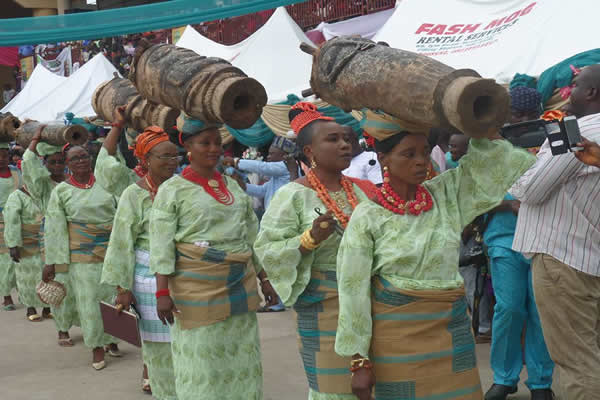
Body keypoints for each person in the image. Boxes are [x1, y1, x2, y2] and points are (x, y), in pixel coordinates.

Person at [334, 109, 535, 400]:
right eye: (409, 154)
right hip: (397, 341)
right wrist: (359, 361)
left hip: (451, 334)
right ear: (384, 159)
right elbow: (353, 290)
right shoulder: (368, 215)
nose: (420, 161)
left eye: (425, 152)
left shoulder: (444, 194)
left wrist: (477, 126)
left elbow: (495, 165)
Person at [149, 114, 277, 400]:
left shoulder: (233, 186)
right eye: (204, 143)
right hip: (195, 290)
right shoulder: (173, 189)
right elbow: (161, 243)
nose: (213, 148)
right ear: (189, 148)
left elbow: (251, 236)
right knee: (202, 362)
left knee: (242, 357)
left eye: (217, 142)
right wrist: (162, 292)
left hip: (238, 288)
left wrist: (265, 278)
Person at [254, 102, 375, 400]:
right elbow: (266, 250)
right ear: (309, 151)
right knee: (333, 388)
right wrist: (308, 239)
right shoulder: (292, 195)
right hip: (322, 304)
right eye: (332, 140)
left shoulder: (362, 191)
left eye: (346, 138)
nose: (345, 145)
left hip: (369, 302)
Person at [511, 64, 600, 399]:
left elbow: (530, 191)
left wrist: (513, 162)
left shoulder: (576, 132)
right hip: (588, 257)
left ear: (591, 93)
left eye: (575, 85)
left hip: (562, 258)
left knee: (577, 363)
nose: (566, 93)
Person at [483, 85, 554, 400]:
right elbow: (477, 195)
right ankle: (504, 377)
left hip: (544, 238)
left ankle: (540, 382)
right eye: (516, 115)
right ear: (504, 115)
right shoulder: (487, 148)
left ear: (537, 115)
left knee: (540, 311)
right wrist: (507, 204)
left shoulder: (552, 142)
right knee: (509, 308)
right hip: (504, 237)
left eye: (528, 116)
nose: (522, 121)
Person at [102, 126, 178, 399]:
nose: (173, 161)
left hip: (183, 275)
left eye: (175, 155)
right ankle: (162, 387)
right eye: (164, 156)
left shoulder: (182, 188)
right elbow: (121, 242)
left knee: (182, 340)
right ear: (145, 161)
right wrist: (123, 287)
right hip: (147, 276)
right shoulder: (132, 195)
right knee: (157, 342)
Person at [42, 143, 119, 370]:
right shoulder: (62, 191)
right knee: (89, 303)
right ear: (68, 164)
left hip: (111, 252)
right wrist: (52, 262)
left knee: (114, 297)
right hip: (81, 258)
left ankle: (112, 339)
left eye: (84, 156)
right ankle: (96, 346)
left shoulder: (105, 183)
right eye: (74, 159)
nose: (81, 161)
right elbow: (55, 228)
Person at [22, 130, 77, 346]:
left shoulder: (73, 181)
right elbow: (28, 161)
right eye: (52, 162)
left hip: (76, 239)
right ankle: (62, 329)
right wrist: (36, 137)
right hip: (54, 239)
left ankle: (94, 332)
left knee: (80, 284)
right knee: (60, 284)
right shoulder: (43, 186)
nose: (57, 165)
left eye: (60, 161)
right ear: (44, 164)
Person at [4, 183, 50, 322]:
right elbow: (11, 220)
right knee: (26, 276)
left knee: (46, 274)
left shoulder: (44, 193)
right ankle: (30, 307)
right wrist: (13, 245)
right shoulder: (16, 196)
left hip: (45, 241)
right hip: (25, 243)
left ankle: (47, 308)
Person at [222, 135, 299, 210]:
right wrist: (241, 184)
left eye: (272, 154)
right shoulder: (277, 175)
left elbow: (262, 167)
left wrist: (235, 162)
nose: (268, 156)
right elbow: (261, 191)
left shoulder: (286, 166)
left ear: (284, 156)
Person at [0, 143, 21, 311]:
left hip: (17, 218)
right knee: (4, 259)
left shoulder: (16, 172)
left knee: (19, 257)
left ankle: (22, 290)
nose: (1, 159)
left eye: (4, 155)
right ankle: (6, 295)